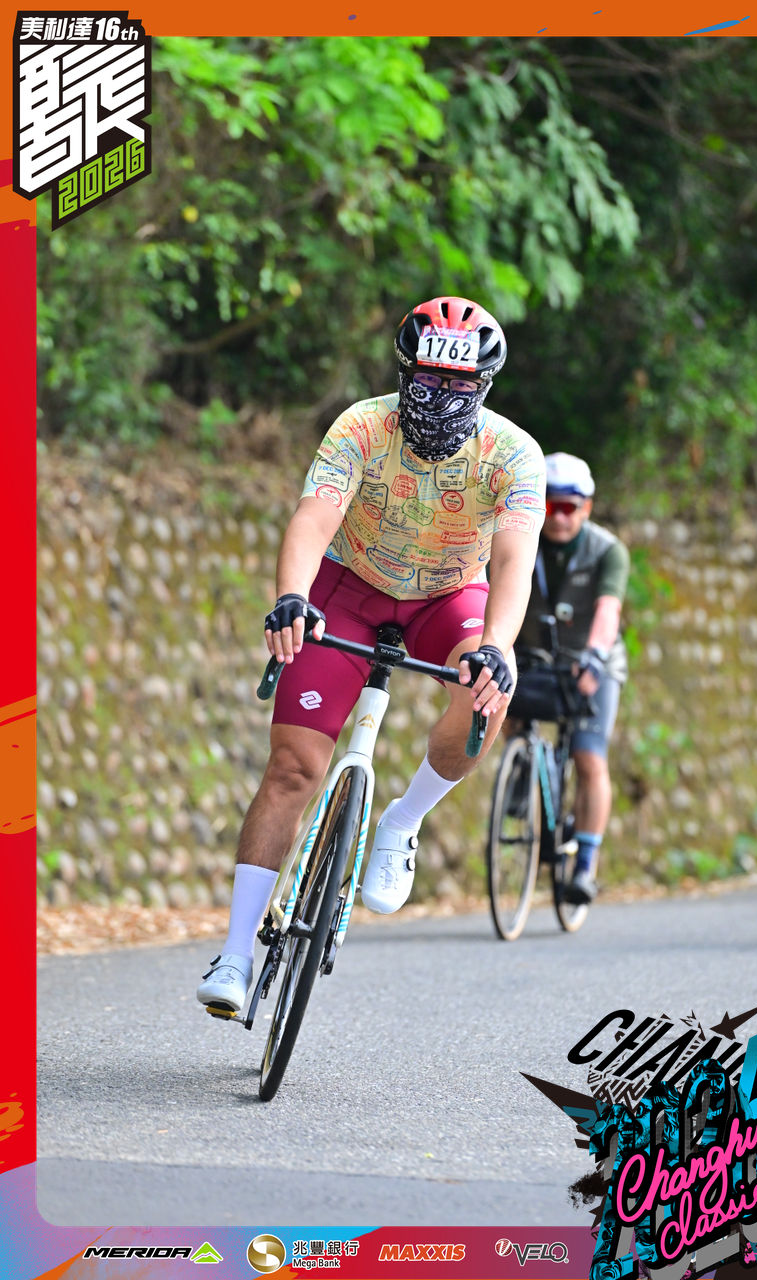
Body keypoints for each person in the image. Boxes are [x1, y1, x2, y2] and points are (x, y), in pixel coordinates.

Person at [197, 295, 546, 1013]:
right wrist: (292, 597)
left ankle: (403, 819)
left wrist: (497, 647)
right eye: (427, 380)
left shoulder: (514, 454)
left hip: (449, 594)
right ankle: (234, 953)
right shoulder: (361, 425)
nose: (440, 396)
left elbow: (514, 560)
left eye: (458, 384)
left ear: (484, 386)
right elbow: (314, 517)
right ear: (403, 373)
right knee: (293, 768)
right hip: (349, 586)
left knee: (487, 695)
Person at [509, 452, 629, 906]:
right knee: (500, 704)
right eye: (549, 506)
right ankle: (520, 771)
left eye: (568, 507)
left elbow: (608, 610)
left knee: (588, 756)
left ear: (586, 508)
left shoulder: (607, 550)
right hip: (534, 652)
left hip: (590, 660)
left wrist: (594, 659)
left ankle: (585, 866)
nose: (558, 517)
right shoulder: (521, 538)